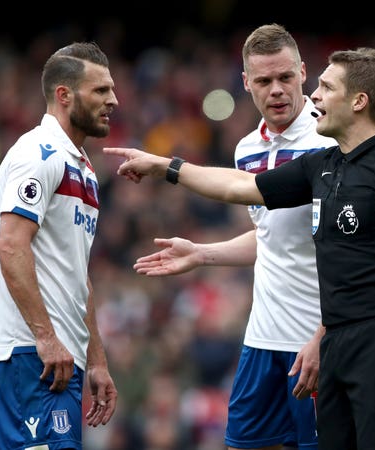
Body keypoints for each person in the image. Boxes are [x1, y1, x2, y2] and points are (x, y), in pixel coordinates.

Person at [105, 46, 375, 449]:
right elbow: (243, 188)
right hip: (332, 343)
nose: (315, 97)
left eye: (324, 87)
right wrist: (165, 167)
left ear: (358, 101)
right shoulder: (323, 166)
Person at [131, 24, 336, 450]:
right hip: (262, 338)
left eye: (285, 77)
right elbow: (270, 237)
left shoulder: (330, 141)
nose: (276, 90)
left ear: (303, 72)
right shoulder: (246, 149)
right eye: (263, 81)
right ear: (246, 83)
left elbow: (350, 250)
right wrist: (202, 254)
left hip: (317, 340)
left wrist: (324, 334)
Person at [0, 41, 118, 450]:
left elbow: (78, 275)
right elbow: (10, 247)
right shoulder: (36, 155)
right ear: (64, 95)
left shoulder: (84, 169)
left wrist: (95, 357)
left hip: (61, 356)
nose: (114, 100)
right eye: (100, 91)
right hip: (30, 354)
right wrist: (45, 337)